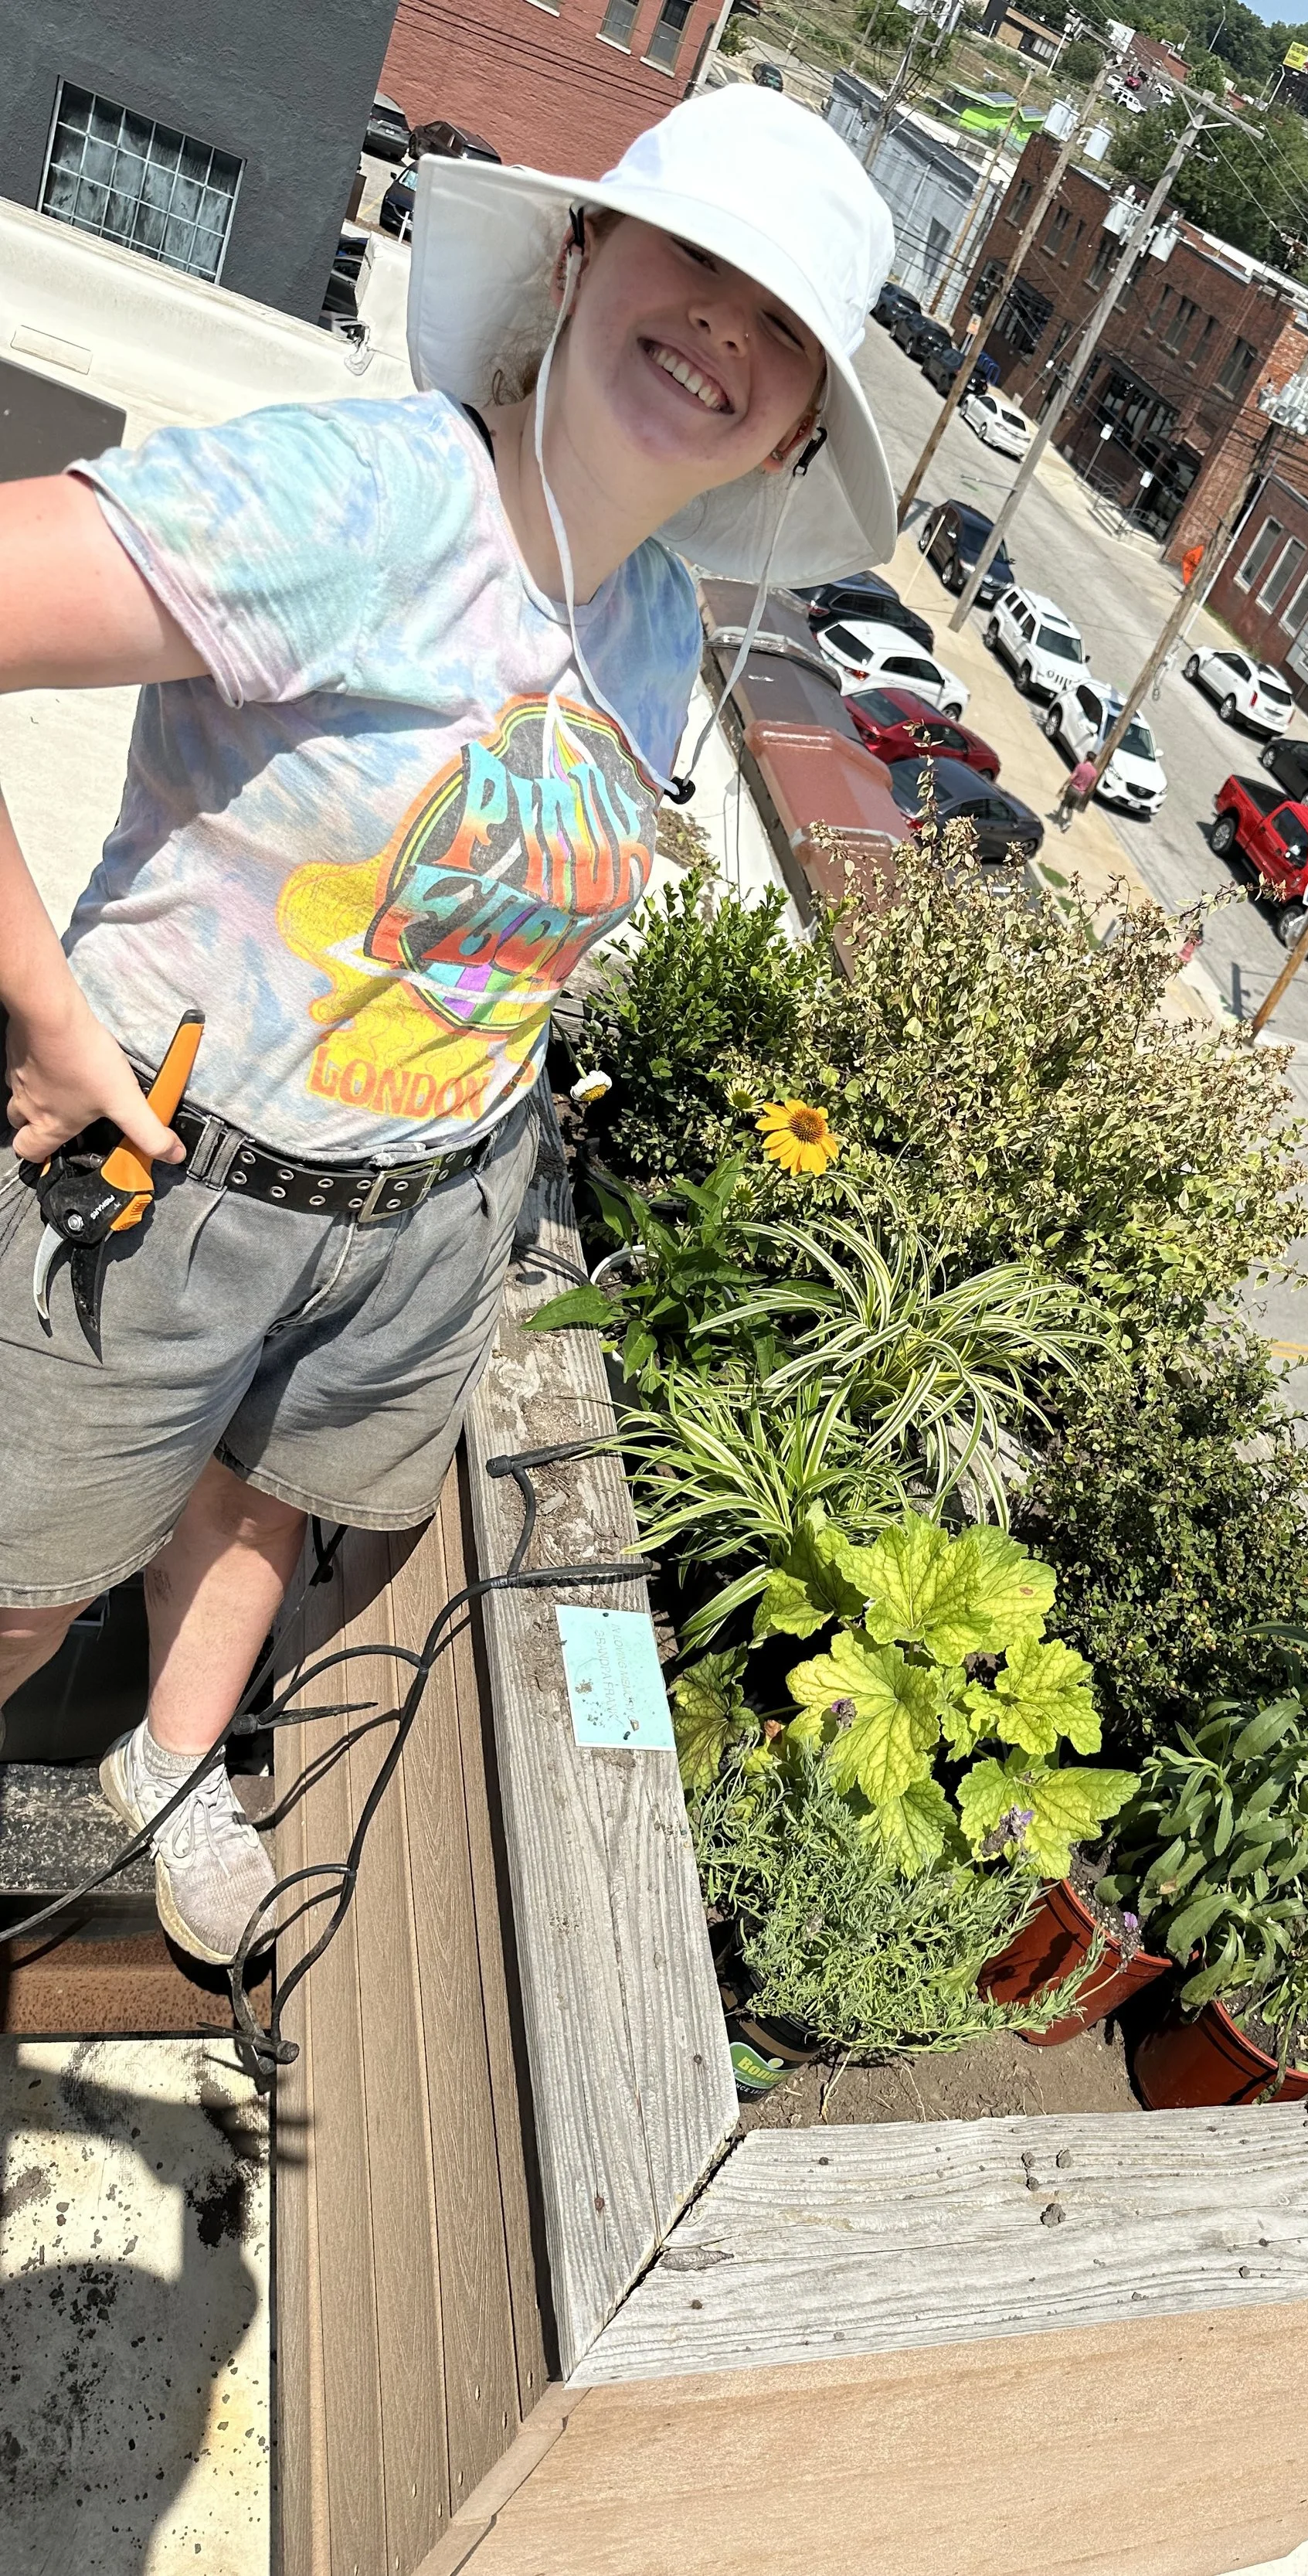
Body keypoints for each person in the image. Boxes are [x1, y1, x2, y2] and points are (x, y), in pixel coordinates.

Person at [0, 87, 896, 1963]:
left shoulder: (656, 621)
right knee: (13, 1574)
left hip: (425, 1217)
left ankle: (170, 1763)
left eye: (781, 319)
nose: (724, 325)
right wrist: (37, 1013)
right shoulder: (375, 497)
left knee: (268, 1505)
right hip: (168, 1176)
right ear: (577, 258)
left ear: (804, 412)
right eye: (694, 259)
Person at [1055, 754, 1099, 829]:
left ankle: (1058, 820)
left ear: (1086, 758)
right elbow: (1092, 786)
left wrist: (1064, 785)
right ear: (1094, 760)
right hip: (1081, 793)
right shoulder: (1094, 773)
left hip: (1072, 788)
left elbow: (1072, 777)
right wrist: (1086, 793)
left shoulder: (1080, 766)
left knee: (1063, 804)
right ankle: (1069, 821)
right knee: (1071, 807)